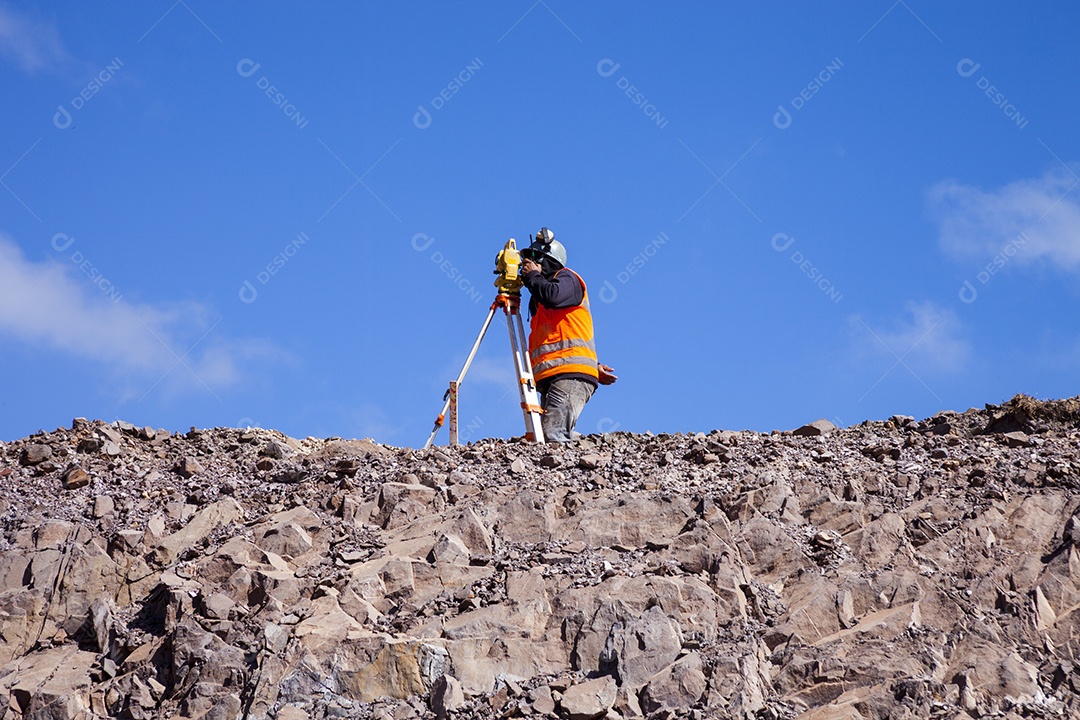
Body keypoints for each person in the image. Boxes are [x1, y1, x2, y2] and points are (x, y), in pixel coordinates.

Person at [520, 227, 615, 442]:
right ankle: (586, 448)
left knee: (551, 434)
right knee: (546, 434)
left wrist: (533, 276)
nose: (528, 265)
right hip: (554, 375)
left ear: (547, 260)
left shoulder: (567, 279)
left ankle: (582, 455)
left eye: (534, 259)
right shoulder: (538, 299)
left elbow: (552, 296)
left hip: (569, 374)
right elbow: (562, 335)